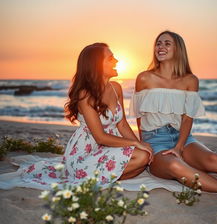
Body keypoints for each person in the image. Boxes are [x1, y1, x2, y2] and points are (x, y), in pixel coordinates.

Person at [0, 43, 152, 190]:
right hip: (87, 152)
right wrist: (135, 144)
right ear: (96, 64)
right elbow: (100, 137)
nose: (116, 61)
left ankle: (103, 178)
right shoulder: (85, 95)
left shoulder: (116, 88)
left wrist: (138, 143)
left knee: (144, 156)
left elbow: (122, 124)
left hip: (112, 145)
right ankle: (91, 177)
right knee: (141, 158)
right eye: (111, 58)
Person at [131, 31, 217, 201]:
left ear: (178, 49)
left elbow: (188, 118)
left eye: (167, 43)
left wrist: (179, 147)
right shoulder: (144, 78)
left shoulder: (190, 80)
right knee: (175, 165)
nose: (160, 47)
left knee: (213, 159)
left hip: (183, 138)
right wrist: (143, 143)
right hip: (154, 140)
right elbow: (139, 114)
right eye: (158, 43)